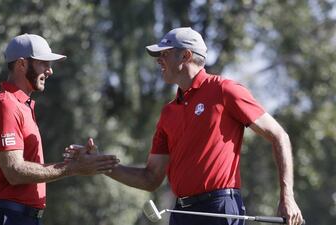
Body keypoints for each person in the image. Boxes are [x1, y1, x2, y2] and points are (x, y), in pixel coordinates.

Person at [103, 27, 304, 225]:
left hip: (219, 207)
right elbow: (151, 178)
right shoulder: (168, 112)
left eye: (164, 53)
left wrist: (287, 196)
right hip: (180, 211)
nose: (158, 60)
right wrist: (101, 166)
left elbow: (279, 135)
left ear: (186, 55)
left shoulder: (224, 90)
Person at [0, 34, 119, 225]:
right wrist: (72, 168)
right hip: (5, 217)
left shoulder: (22, 106)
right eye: (43, 63)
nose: (50, 71)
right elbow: (14, 171)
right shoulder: (5, 105)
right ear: (21, 64)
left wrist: (75, 162)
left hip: (20, 217)